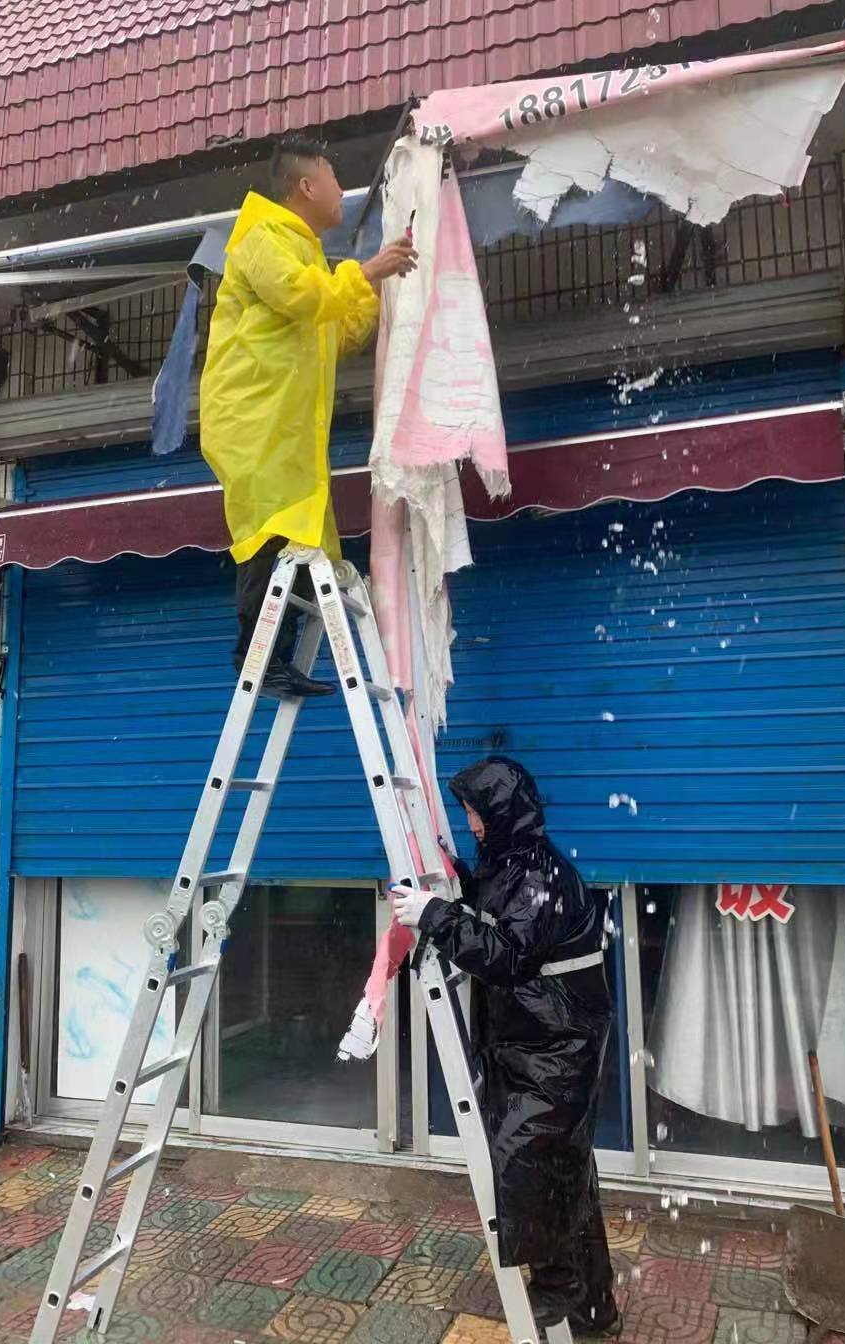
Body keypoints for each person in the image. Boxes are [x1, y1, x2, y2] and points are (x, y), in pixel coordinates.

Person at [392, 756, 620, 1338]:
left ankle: (558, 1283)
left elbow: (507, 955)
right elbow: (497, 912)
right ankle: (594, 1307)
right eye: (467, 813)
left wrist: (435, 915)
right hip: (539, 1035)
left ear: (502, 811)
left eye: (476, 812)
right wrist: (455, 882)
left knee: (528, 1154)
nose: (471, 823)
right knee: (566, 1170)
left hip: (559, 1041)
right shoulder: (513, 862)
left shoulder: (538, 873)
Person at [200, 134, 417, 696]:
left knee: (297, 543)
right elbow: (302, 295)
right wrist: (365, 271)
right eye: (333, 177)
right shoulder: (261, 237)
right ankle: (254, 659)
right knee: (268, 534)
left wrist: (372, 287)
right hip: (254, 420)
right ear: (306, 185)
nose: (341, 189)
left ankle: (275, 660)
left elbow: (336, 331)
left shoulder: (310, 256)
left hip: (288, 428)